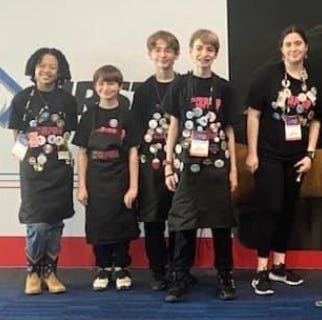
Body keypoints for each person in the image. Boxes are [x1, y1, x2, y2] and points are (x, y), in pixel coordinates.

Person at [162, 29, 238, 302]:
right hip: (186, 166)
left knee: (220, 224)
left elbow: (229, 129)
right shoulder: (179, 86)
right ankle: (179, 278)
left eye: (210, 50)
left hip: (217, 166)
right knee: (183, 224)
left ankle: (225, 276)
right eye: (199, 49)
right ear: (191, 51)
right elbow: (173, 125)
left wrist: (233, 171)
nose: (204, 54)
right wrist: (168, 164)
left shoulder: (225, 87)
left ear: (215, 55)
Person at [245, 25, 322, 295]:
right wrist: (252, 153)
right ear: (281, 49)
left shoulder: (313, 79)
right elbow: (253, 115)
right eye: (288, 44)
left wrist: (310, 154)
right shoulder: (266, 75)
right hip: (268, 154)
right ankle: (261, 269)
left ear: (306, 47)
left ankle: (279, 265)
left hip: (298, 157)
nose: (293, 48)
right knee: (271, 208)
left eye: (298, 43)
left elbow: (317, 120)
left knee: (289, 209)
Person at [8, 48, 77, 295]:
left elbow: (68, 134)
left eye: (52, 67)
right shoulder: (21, 99)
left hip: (60, 170)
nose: (46, 71)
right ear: (33, 68)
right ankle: (33, 272)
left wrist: (62, 155)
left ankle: (50, 272)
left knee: (55, 224)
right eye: (42, 65)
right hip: (33, 171)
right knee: (36, 225)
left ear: (60, 72)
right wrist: (25, 156)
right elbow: (17, 135)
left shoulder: (68, 100)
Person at [72, 65, 141, 291]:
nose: (107, 88)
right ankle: (102, 267)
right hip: (95, 180)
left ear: (120, 87)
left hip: (120, 178)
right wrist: (81, 185)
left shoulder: (128, 115)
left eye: (111, 83)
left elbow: (132, 152)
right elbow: (82, 152)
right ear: (95, 87)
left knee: (122, 225)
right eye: (102, 83)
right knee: (98, 225)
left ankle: (121, 267)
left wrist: (133, 187)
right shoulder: (89, 115)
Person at [131, 30, 180, 291]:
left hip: (181, 163)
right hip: (150, 165)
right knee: (153, 220)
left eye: (168, 50)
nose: (163, 55)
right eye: (158, 50)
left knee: (181, 220)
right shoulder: (143, 91)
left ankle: (179, 269)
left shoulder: (186, 84)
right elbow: (136, 132)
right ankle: (157, 271)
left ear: (176, 55)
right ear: (150, 54)